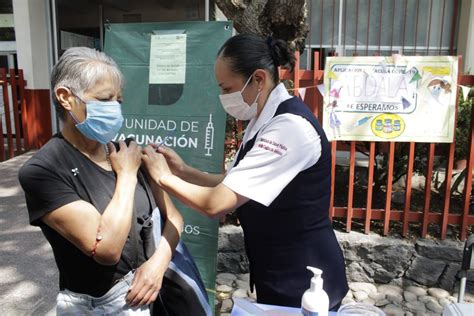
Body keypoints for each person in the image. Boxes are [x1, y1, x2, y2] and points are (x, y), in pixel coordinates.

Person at [141, 34, 349, 311]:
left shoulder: (289, 129)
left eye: (227, 88)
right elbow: (234, 183)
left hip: (304, 277)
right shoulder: (261, 121)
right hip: (274, 268)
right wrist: (183, 171)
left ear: (259, 79)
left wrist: (162, 177)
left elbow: (217, 203)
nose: (224, 97)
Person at [18, 47, 210, 315]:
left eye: (118, 100)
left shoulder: (127, 151)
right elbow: (107, 249)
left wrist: (158, 263)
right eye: (105, 99)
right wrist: (128, 175)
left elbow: (174, 218)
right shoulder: (44, 170)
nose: (115, 108)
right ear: (65, 97)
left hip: (153, 293)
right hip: (97, 306)